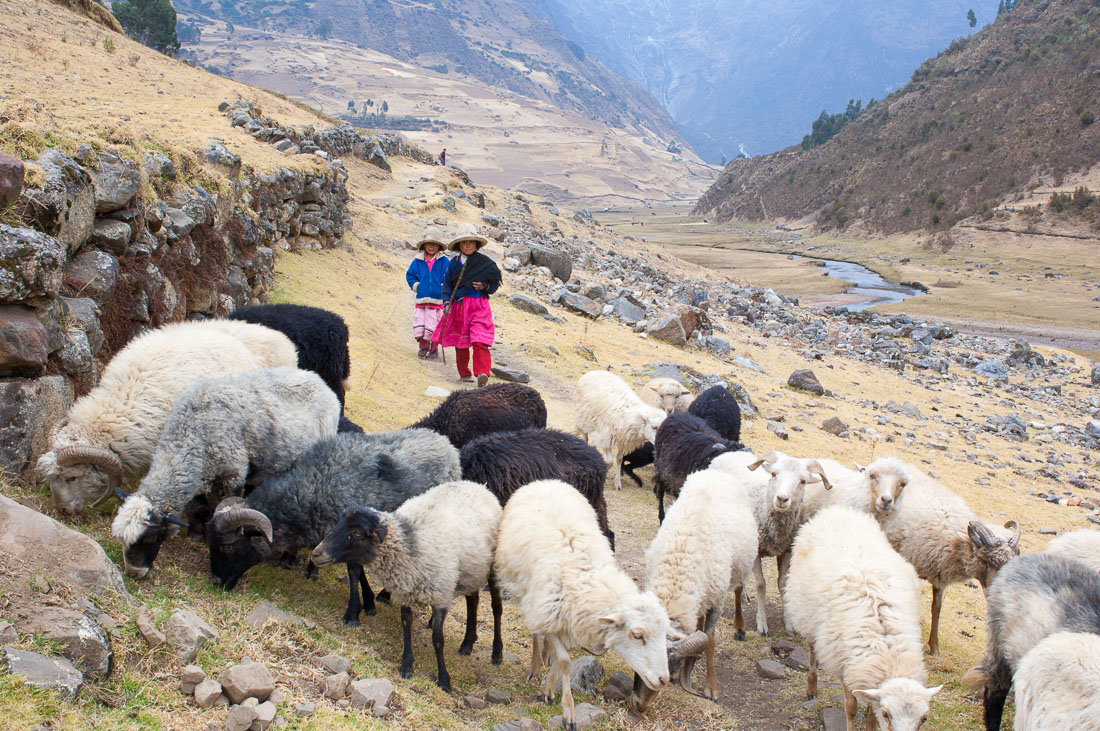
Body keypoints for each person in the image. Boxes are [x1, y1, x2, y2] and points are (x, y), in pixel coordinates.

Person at [432, 223, 501, 386]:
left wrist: (485, 287)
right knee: (460, 342)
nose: (468, 245)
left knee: (480, 339)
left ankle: (482, 372)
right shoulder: (454, 263)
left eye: (471, 242)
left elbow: (495, 284)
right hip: (459, 307)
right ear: (459, 245)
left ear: (476, 244)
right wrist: (447, 302)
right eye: (464, 242)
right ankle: (464, 373)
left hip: (479, 306)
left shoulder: (485, 263)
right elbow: (447, 284)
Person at [405, 227, 451, 358]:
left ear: (439, 246)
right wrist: (416, 286)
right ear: (424, 245)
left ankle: (434, 349)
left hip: (438, 300)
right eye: (429, 243)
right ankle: (423, 347)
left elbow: (449, 277)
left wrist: (444, 288)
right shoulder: (418, 261)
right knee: (422, 323)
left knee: (435, 325)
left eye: (434, 244)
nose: (431, 246)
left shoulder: (444, 261)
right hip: (422, 299)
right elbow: (410, 275)